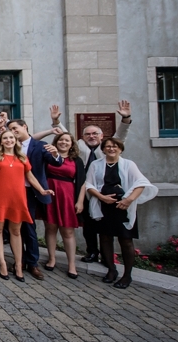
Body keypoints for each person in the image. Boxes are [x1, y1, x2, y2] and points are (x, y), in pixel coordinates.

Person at [46, 101, 132, 264]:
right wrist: (56, 122)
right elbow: (65, 137)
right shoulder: (80, 148)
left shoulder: (107, 148)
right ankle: (92, 251)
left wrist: (126, 118)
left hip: (105, 191)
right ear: (82, 137)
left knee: (106, 226)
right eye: (87, 134)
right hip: (82, 191)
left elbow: (121, 135)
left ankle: (108, 257)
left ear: (101, 136)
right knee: (89, 225)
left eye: (94, 134)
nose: (91, 137)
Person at [0, 130, 55, 282]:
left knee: (16, 231)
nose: (8, 140)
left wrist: (41, 190)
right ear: (1, 141)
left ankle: (19, 265)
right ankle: (2, 263)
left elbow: (30, 176)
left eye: (11, 138)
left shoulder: (22, 157)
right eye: (5, 138)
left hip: (17, 198)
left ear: (15, 140)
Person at [85, 138, 157, 289]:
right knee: (105, 238)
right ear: (103, 149)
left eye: (115, 146)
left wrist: (128, 200)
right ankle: (111, 270)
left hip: (122, 207)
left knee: (126, 240)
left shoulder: (129, 165)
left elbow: (141, 183)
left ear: (120, 149)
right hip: (103, 206)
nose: (111, 149)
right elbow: (89, 184)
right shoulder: (95, 164)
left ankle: (127, 275)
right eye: (108, 146)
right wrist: (101, 197)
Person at [7, 119, 63, 280]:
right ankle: (20, 260)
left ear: (24, 127)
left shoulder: (39, 145)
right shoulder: (10, 146)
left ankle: (32, 262)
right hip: (15, 191)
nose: (13, 131)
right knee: (16, 229)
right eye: (11, 129)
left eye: (15, 128)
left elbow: (55, 162)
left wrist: (55, 154)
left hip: (32, 191)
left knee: (29, 227)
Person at [43, 132, 86, 279]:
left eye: (67, 140)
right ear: (56, 142)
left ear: (71, 144)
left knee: (67, 231)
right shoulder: (48, 157)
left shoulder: (76, 160)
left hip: (67, 195)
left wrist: (80, 201)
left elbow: (82, 182)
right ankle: (52, 258)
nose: (63, 142)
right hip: (50, 193)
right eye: (61, 140)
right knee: (51, 227)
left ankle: (71, 264)